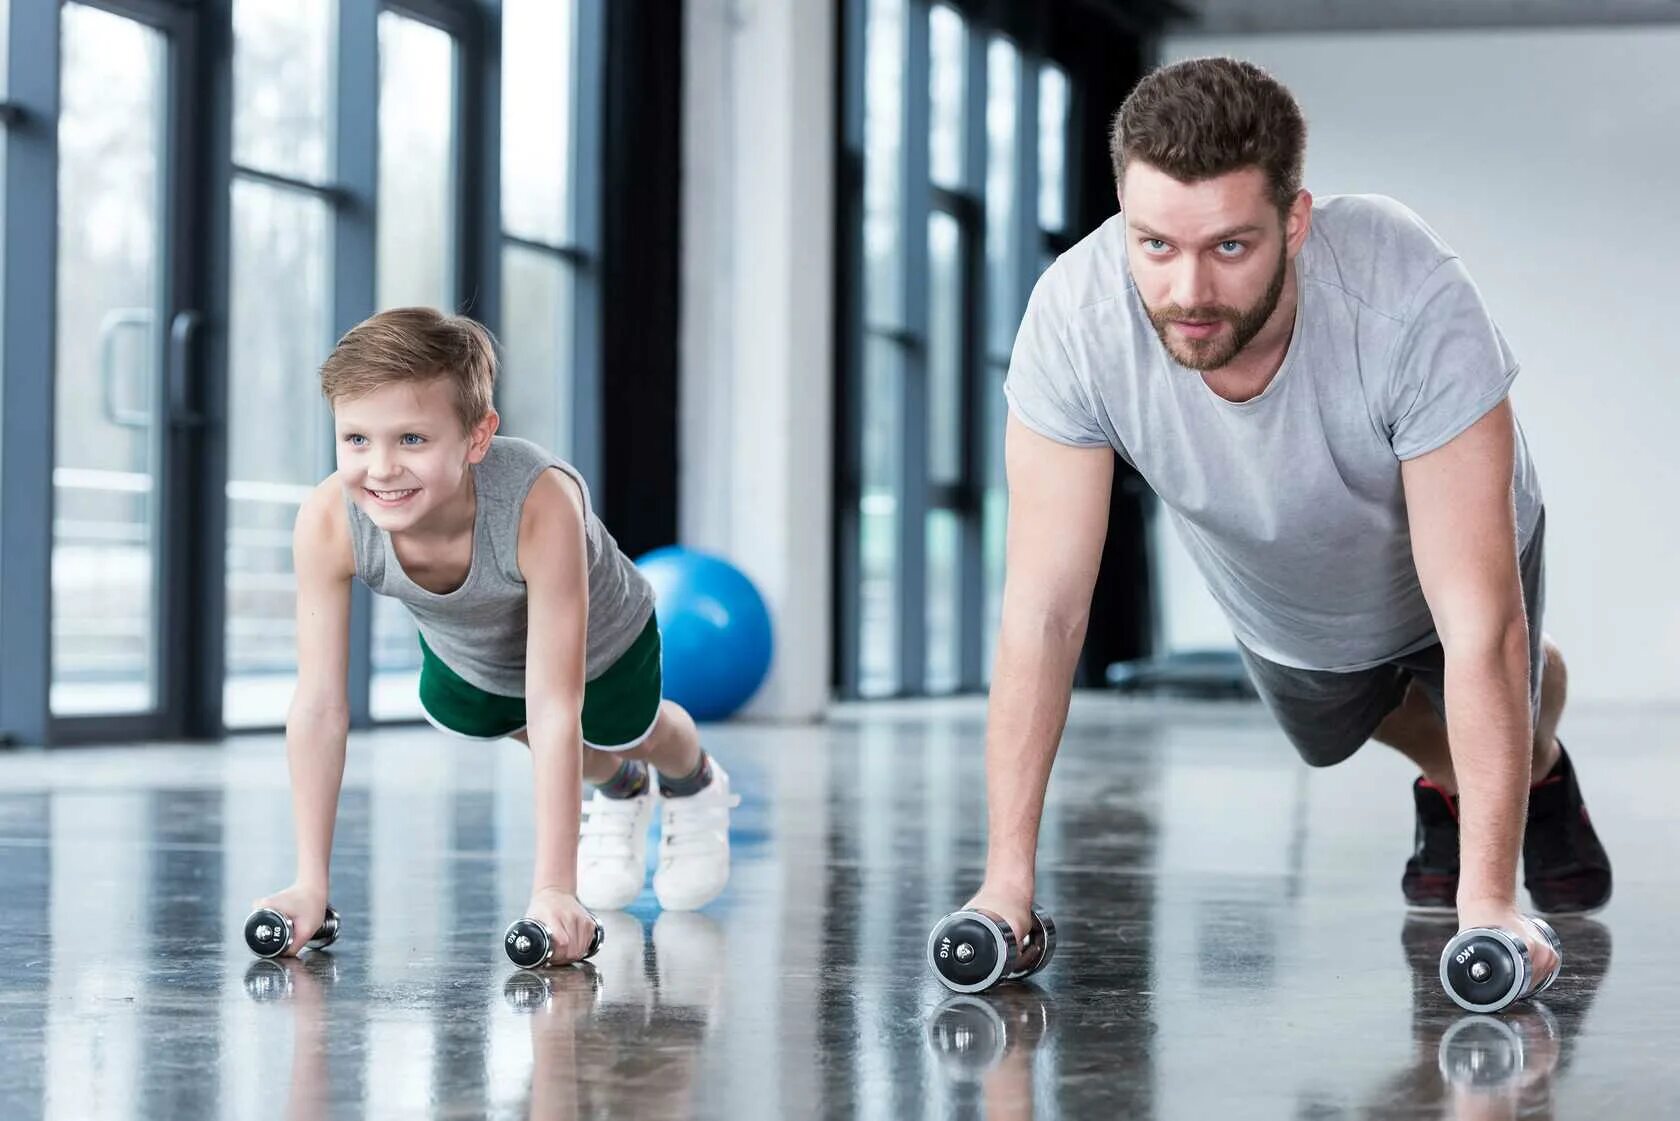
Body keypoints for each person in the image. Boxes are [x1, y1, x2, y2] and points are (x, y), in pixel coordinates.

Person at [965, 57, 1610, 980]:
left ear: (1294, 222)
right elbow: (1044, 611)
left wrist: (1490, 904)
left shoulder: (1406, 294)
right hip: (1288, 589)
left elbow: (1479, 625)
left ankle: (1514, 776)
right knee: (1330, 734)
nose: (1188, 291)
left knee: (1490, 663)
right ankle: (1484, 766)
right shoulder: (1074, 319)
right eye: (1155, 246)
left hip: (1455, 557)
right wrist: (1005, 887)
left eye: (1230, 247)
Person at [253, 308, 738, 962]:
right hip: (474, 653)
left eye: (413, 440)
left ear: (477, 437)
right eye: (357, 439)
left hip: (599, 643)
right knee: (507, 725)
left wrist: (554, 889)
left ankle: (692, 777)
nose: (382, 467)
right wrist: (310, 882)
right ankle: (620, 786)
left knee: (629, 730)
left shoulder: (539, 503)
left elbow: (555, 703)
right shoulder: (329, 520)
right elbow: (318, 705)